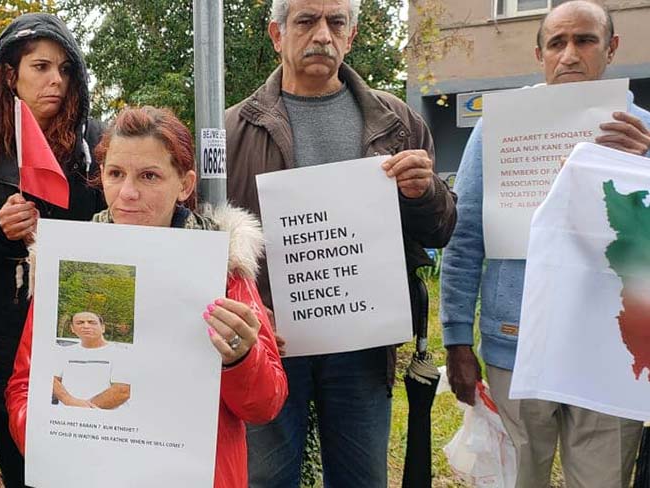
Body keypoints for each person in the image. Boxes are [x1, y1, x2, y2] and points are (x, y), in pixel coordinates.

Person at [224, 0, 457, 485]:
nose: (322, 35)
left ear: (351, 35)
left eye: (336, 22)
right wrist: (250, 314)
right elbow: (212, 239)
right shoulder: (232, 129)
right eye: (306, 21)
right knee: (266, 479)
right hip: (272, 341)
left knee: (362, 478)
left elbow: (440, 230)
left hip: (362, 345)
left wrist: (425, 193)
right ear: (276, 34)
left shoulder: (398, 121)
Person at [5, 106, 288, 487]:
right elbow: (25, 387)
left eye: (149, 176)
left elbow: (265, 404)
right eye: (115, 174)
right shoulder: (71, 264)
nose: (128, 193)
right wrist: (50, 440)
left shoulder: (224, 268)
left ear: (185, 184)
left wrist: (240, 358)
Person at [441, 2, 650, 486]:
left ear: (611, 48)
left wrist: (643, 167)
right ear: (540, 55)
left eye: (585, 40)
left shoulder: (641, 131)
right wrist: (457, 339)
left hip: (610, 346)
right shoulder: (501, 126)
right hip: (515, 342)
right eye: (557, 43)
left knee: (601, 478)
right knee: (517, 476)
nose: (570, 55)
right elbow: (465, 235)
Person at [0, 13, 106, 486]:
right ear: (10, 75)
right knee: (20, 462)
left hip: (80, 329)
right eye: (41, 67)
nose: (56, 80)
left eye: (65, 69)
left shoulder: (97, 147)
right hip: (7, 339)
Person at [52, 311, 131, 409]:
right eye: (80, 323)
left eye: (92, 322)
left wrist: (85, 409)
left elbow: (122, 391)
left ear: (103, 328)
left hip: (107, 417)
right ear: (72, 328)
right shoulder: (63, 353)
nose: (86, 326)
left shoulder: (121, 354)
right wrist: (69, 401)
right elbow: (52, 380)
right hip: (67, 416)